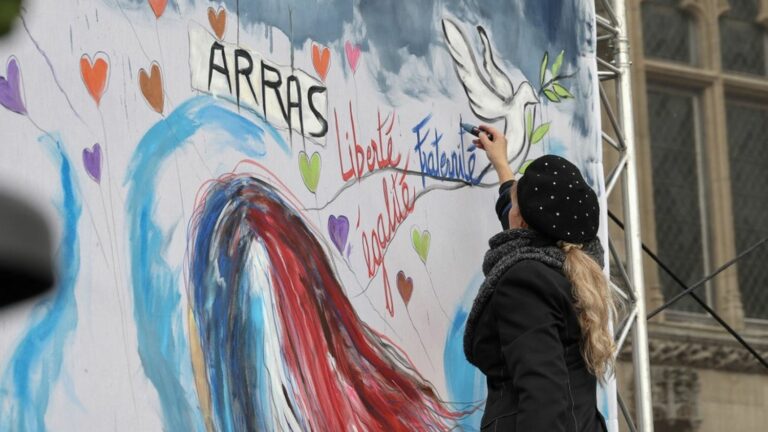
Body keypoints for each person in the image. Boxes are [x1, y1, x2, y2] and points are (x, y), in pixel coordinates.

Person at [463, 124, 613, 431]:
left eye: (517, 205)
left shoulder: (525, 283)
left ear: (522, 221)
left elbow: (544, 397)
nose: (511, 212)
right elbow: (524, 216)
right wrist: (502, 165)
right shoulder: (570, 267)